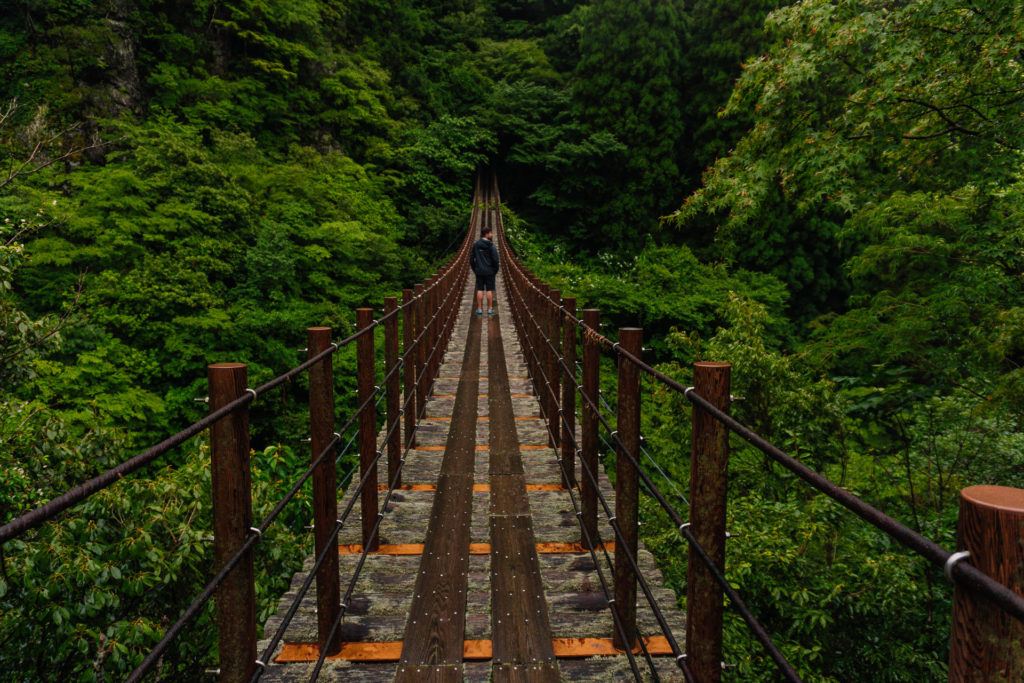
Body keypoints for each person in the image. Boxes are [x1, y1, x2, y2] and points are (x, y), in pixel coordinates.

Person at [470, 226, 499, 316]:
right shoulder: (491, 246)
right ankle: (490, 309)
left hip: (479, 271)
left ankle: (479, 309)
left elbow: (471, 259)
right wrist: (495, 270)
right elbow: (495, 260)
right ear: (486, 234)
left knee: (480, 289)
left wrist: (475, 269)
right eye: (490, 233)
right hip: (489, 271)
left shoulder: (476, 244)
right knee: (489, 289)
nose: (492, 234)